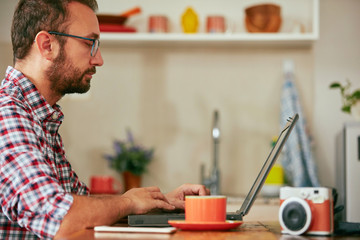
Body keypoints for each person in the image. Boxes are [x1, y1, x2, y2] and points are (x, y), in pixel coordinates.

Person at [0, 0, 209, 239]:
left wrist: (158, 202)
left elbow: (83, 205)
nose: (99, 59)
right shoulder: (7, 115)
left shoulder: (39, 118)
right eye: (90, 43)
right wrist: (129, 202)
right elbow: (62, 218)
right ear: (47, 45)